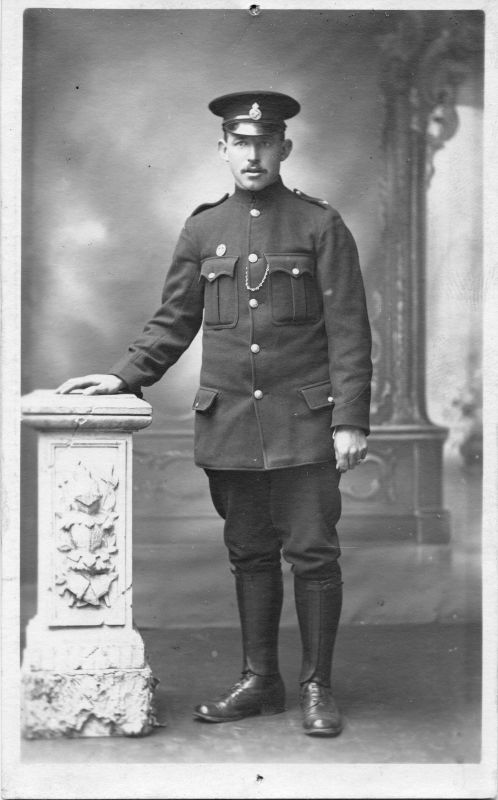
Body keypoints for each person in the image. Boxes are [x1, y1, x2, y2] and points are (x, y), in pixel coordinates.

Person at [57, 91, 372, 737]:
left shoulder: (320, 225)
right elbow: (175, 319)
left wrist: (350, 420)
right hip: (229, 423)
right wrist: (123, 377)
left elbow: (349, 329)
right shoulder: (203, 228)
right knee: (250, 553)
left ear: (283, 148)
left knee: (312, 554)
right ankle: (261, 681)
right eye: (240, 143)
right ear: (223, 148)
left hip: (304, 424)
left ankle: (317, 686)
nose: (252, 154)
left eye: (265, 142)